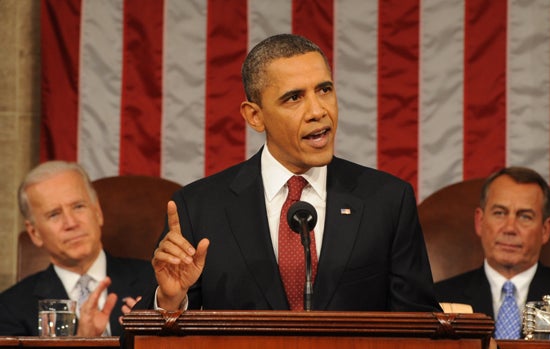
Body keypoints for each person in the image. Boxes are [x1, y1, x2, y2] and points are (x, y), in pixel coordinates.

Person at [138, 33, 440, 313]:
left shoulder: (386, 201)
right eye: (294, 98)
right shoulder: (199, 208)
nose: (317, 110)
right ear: (255, 116)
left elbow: (421, 325)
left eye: (324, 90)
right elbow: (137, 337)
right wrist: (171, 300)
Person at [434, 166, 550, 338]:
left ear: (545, 230)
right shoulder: (436, 301)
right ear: (480, 222)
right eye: (499, 213)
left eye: (525, 216)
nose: (510, 228)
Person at [0, 161, 155, 336]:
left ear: (97, 212)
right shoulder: (10, 309)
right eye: (54, 214)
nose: (71, 223)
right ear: (34, 233)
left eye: (78, 207)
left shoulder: (154, 282)